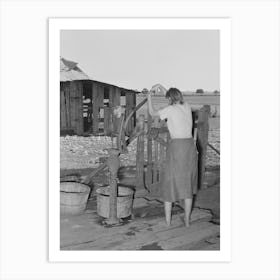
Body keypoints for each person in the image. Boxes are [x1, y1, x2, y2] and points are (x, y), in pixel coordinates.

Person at [147, 84, 198, 227]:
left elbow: (152, 113)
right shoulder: (186, 106)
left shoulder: (170, 109)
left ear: (169, 99)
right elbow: (172, 96)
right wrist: (161, 87)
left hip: (177, 148)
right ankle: (187, 221)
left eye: (168, 98)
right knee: (187, 184)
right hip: (189, 147)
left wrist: (149, 97)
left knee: (169, 183)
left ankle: (168, 222)